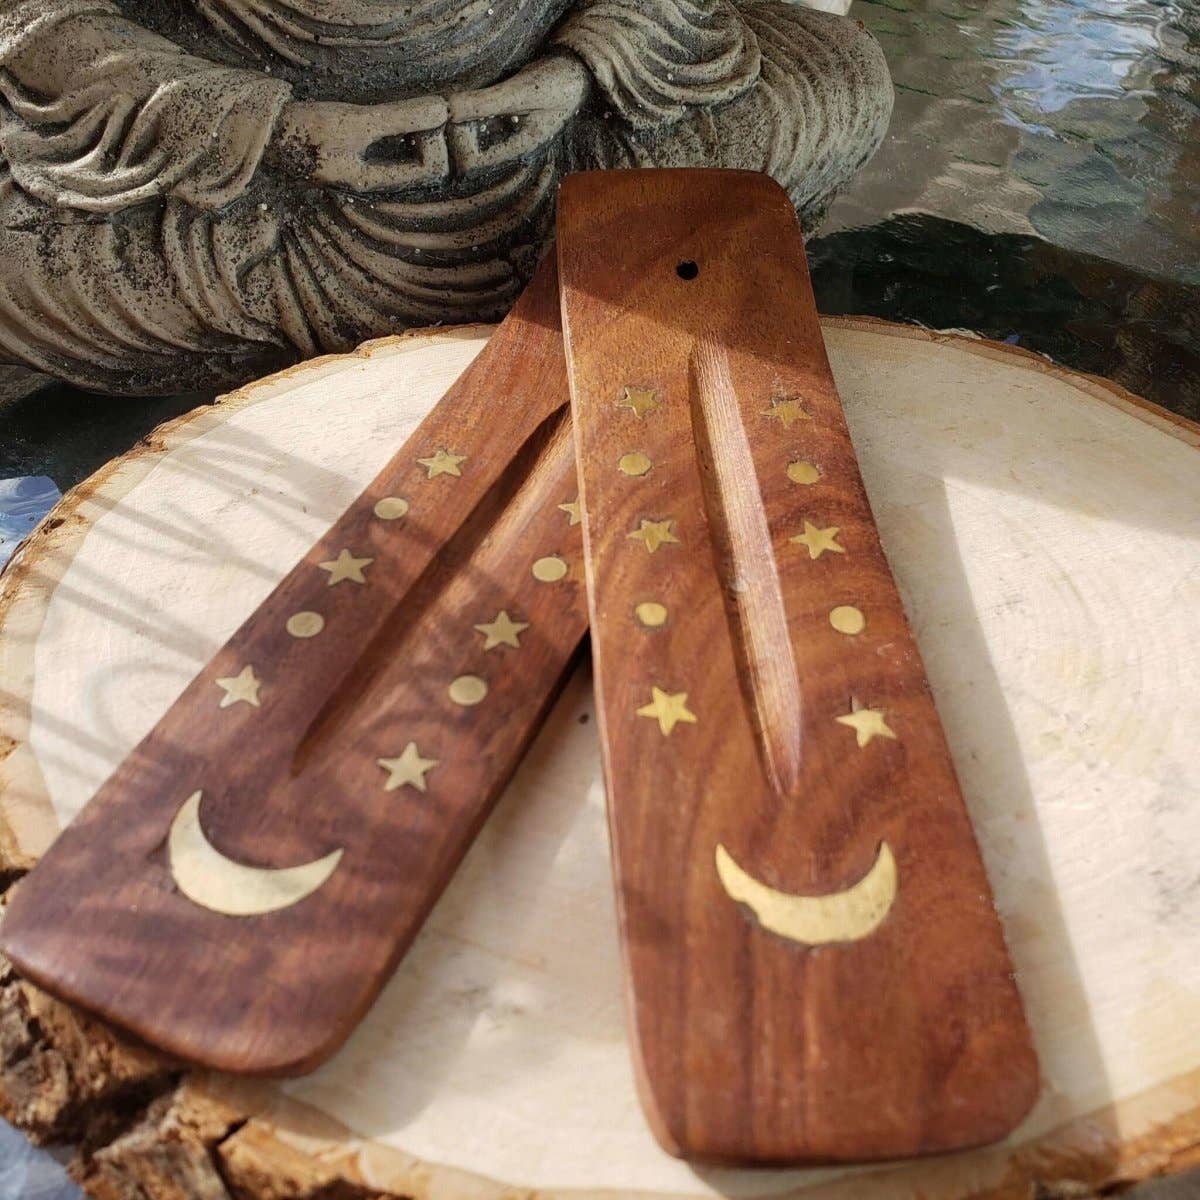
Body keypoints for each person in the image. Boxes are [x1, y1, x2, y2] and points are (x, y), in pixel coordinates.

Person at [0, 0, 891, 392]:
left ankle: (601, 260)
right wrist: (266, 130)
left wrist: (582, 71)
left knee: (838, 76)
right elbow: (36, 22)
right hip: (246, 202)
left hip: (567, 146)